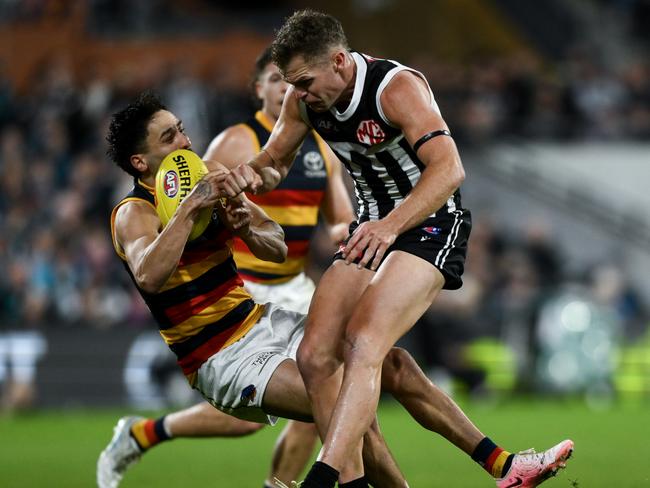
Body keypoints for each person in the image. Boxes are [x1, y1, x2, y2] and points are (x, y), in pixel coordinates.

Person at [216, 9, 574, 488]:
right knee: (320, 358)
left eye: (303, 81)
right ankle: (505, 467)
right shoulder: (305, 101)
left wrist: (389, 226)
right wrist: (249, 173)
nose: (295, 94)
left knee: (363, 342)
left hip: (428, 224)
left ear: (340, 62)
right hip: (372, 230)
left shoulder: (395, 87)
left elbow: (449, 169)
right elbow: (275, 162)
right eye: (290, 83)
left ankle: (327, 479)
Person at [98, 48, 354, 488]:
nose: (186, 141)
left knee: (356, 389)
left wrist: (343, 236)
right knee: (331, 402)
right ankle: (149, 433)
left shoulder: (317, 146)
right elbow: (149, 275)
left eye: (181, 130)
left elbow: (319, 224)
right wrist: (194, 208)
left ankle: (149, 433)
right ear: (259, 89)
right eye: (276, 79)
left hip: (284, 291)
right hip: (243, 303)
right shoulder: (233, 144)